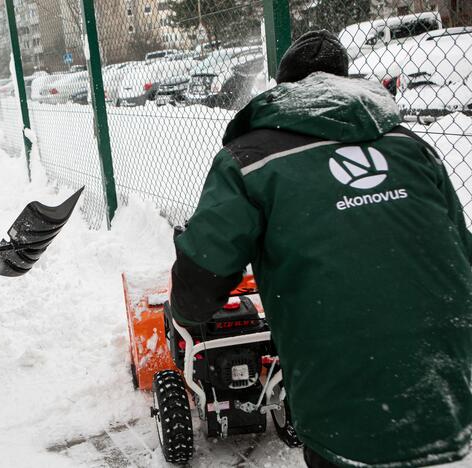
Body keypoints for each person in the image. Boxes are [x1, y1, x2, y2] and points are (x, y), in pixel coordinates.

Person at [170, 30, 472, 467]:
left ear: (283, 88)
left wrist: (183, 312)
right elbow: (461, 250)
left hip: (349, 416)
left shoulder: (248, 159)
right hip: (455, 387)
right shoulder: (411, 146)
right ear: (347, 82)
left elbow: (201, 278)